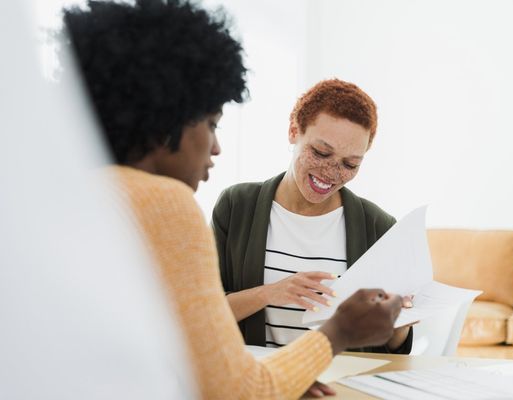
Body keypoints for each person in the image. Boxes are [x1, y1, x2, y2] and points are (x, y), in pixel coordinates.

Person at [63, 0, 410, 398]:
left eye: (350, 162)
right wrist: (340, 331)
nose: (216, 148)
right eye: (211, 124)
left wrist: (287, 373)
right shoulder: (166, 202)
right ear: (164, 122)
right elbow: (238, 391)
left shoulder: (79, 196)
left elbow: (166, 345)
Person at [213, 79, 415, 358]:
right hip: (257, 382)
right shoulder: (236, 207)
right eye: (321, 152)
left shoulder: (379, 227)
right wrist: (270, 294)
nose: (331, 173)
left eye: (350, 164)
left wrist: (400, 320)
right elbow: (203, 314)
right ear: (294, 131)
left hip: (340, 385)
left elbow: (394, 348)